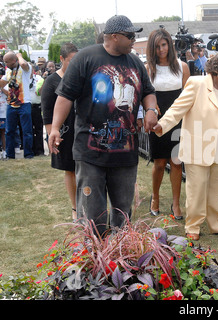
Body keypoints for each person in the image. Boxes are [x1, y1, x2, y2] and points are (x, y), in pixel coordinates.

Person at [48, 15, 159, 237]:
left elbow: (148, 91)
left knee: (123, 216)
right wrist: (54, 127)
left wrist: (151, 110)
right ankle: (94, 261)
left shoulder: (135, 62)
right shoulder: (85, 58)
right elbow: (65, 96)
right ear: (114, 37)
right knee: (93, 216)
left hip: (125, 152)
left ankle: (120, 264)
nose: (133, 40)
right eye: (130, 36)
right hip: (91, 152)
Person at [152, 51, 218, 241]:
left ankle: (217, 224)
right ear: (217, 71)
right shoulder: (197, 84)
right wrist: (161, 125)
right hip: (198, 146)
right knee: (197, 188)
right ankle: (193, 226)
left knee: (216, 188)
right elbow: (177, 108)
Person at [146, 28, 190, 219]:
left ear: (170, 45)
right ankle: (154, 197)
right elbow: (145, 95)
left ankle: (175, 203)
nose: (161, 50)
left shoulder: (183, 67)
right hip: (157, 118)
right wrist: (152, 111)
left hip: (178, 119)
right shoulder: (148, 68)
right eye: (157, 47)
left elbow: (188, 96)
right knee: (159, 162)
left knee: (177, 162)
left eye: (164, 45)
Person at [41, 43, 79, 221]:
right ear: (62, 59)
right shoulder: (51, 81)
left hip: (82, 130)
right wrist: (52, 135)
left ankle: (87, 204)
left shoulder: (82, 78)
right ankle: (75, 207)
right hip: (64, 132)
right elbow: (47, 113)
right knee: (70, 170)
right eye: (71, 60)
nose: (74, 64)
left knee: (86, 170)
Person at [0, 51, 34, 159]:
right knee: (9, 131)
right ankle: (10, 155)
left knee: (27, 131)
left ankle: (28, 154)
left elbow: (23, 64)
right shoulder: (8, 71)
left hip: (24, 103)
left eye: (7, 62)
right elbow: (2, 83)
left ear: (14, 61)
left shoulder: (25, 69)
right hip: (11, 104)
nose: (5, 64)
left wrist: (19, 55)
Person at [29, 69, 45, 156]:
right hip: (26, 106)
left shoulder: (39, 79)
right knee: (28, 130)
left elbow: (39, 92)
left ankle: (39, 151)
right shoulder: (21, 79)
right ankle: (30, 150)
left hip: (36, 107)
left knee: (38, 129)